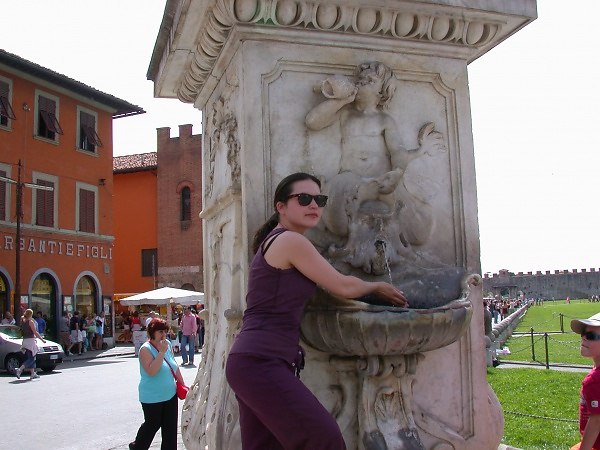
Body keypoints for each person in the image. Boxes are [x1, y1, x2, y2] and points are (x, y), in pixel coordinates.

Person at [226, 172, 408, 450]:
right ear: (281, 206)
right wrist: (377, 286)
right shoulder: (290, 241)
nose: (314, 205)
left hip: (253, 360)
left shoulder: (279, 241)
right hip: (261, 361)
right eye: (304, 199)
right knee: (324, 439)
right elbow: (341, 285)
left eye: (319, 200)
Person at [129, 318, 184, 450]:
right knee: (152, 425)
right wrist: (161, 352)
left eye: (165, 331)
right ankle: (138, 447)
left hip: (170, 393)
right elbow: (152, 371)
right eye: (160, 332)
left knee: (170, 428)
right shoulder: (145, 349)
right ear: (152, 332)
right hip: (152, 396)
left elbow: (174, 365)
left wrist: (182, 383)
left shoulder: (167, 344)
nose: (163, 335)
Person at [571, 313, 600, 450]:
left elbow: (596, 421)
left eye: (591, 336)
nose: (583, 337)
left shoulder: (594, 380)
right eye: (583, 333)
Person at [14, 308, 46, 380]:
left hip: (25, 340)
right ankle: (20, 369)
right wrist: (42, 339)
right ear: (31, 314)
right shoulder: (30, 322)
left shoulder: (23, 321)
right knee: (31, 358)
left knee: (31, 357)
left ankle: (32, 373)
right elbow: (35, 332)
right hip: (31, 341)